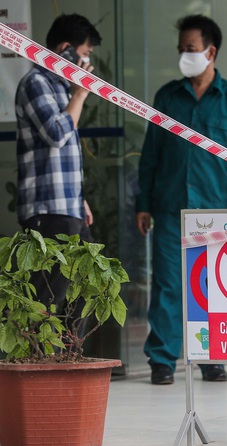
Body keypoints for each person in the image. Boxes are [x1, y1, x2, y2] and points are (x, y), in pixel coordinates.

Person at [136, 14, 227, 385]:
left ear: (210, 51)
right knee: (169, 284)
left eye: (190, 49)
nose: (184, 56)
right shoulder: (166, 97)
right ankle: (162, 358)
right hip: (172, 208)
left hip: (216, 210)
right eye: (181, 50)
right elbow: (151, 153)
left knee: (212, 285)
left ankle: (212, 358)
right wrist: (144, 202)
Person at [15, 13, 101, 339]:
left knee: (84, 283)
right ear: (65, 50)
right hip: (46, 209)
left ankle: (68, 357)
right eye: (85, 53)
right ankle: (42, 362)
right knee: (49, 293)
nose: (87, 61)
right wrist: (80, 95)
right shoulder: (35, 83)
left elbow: (63, 158)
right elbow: (55, 134)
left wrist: (80, 199)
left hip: (68, 207)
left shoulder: (60, 89)